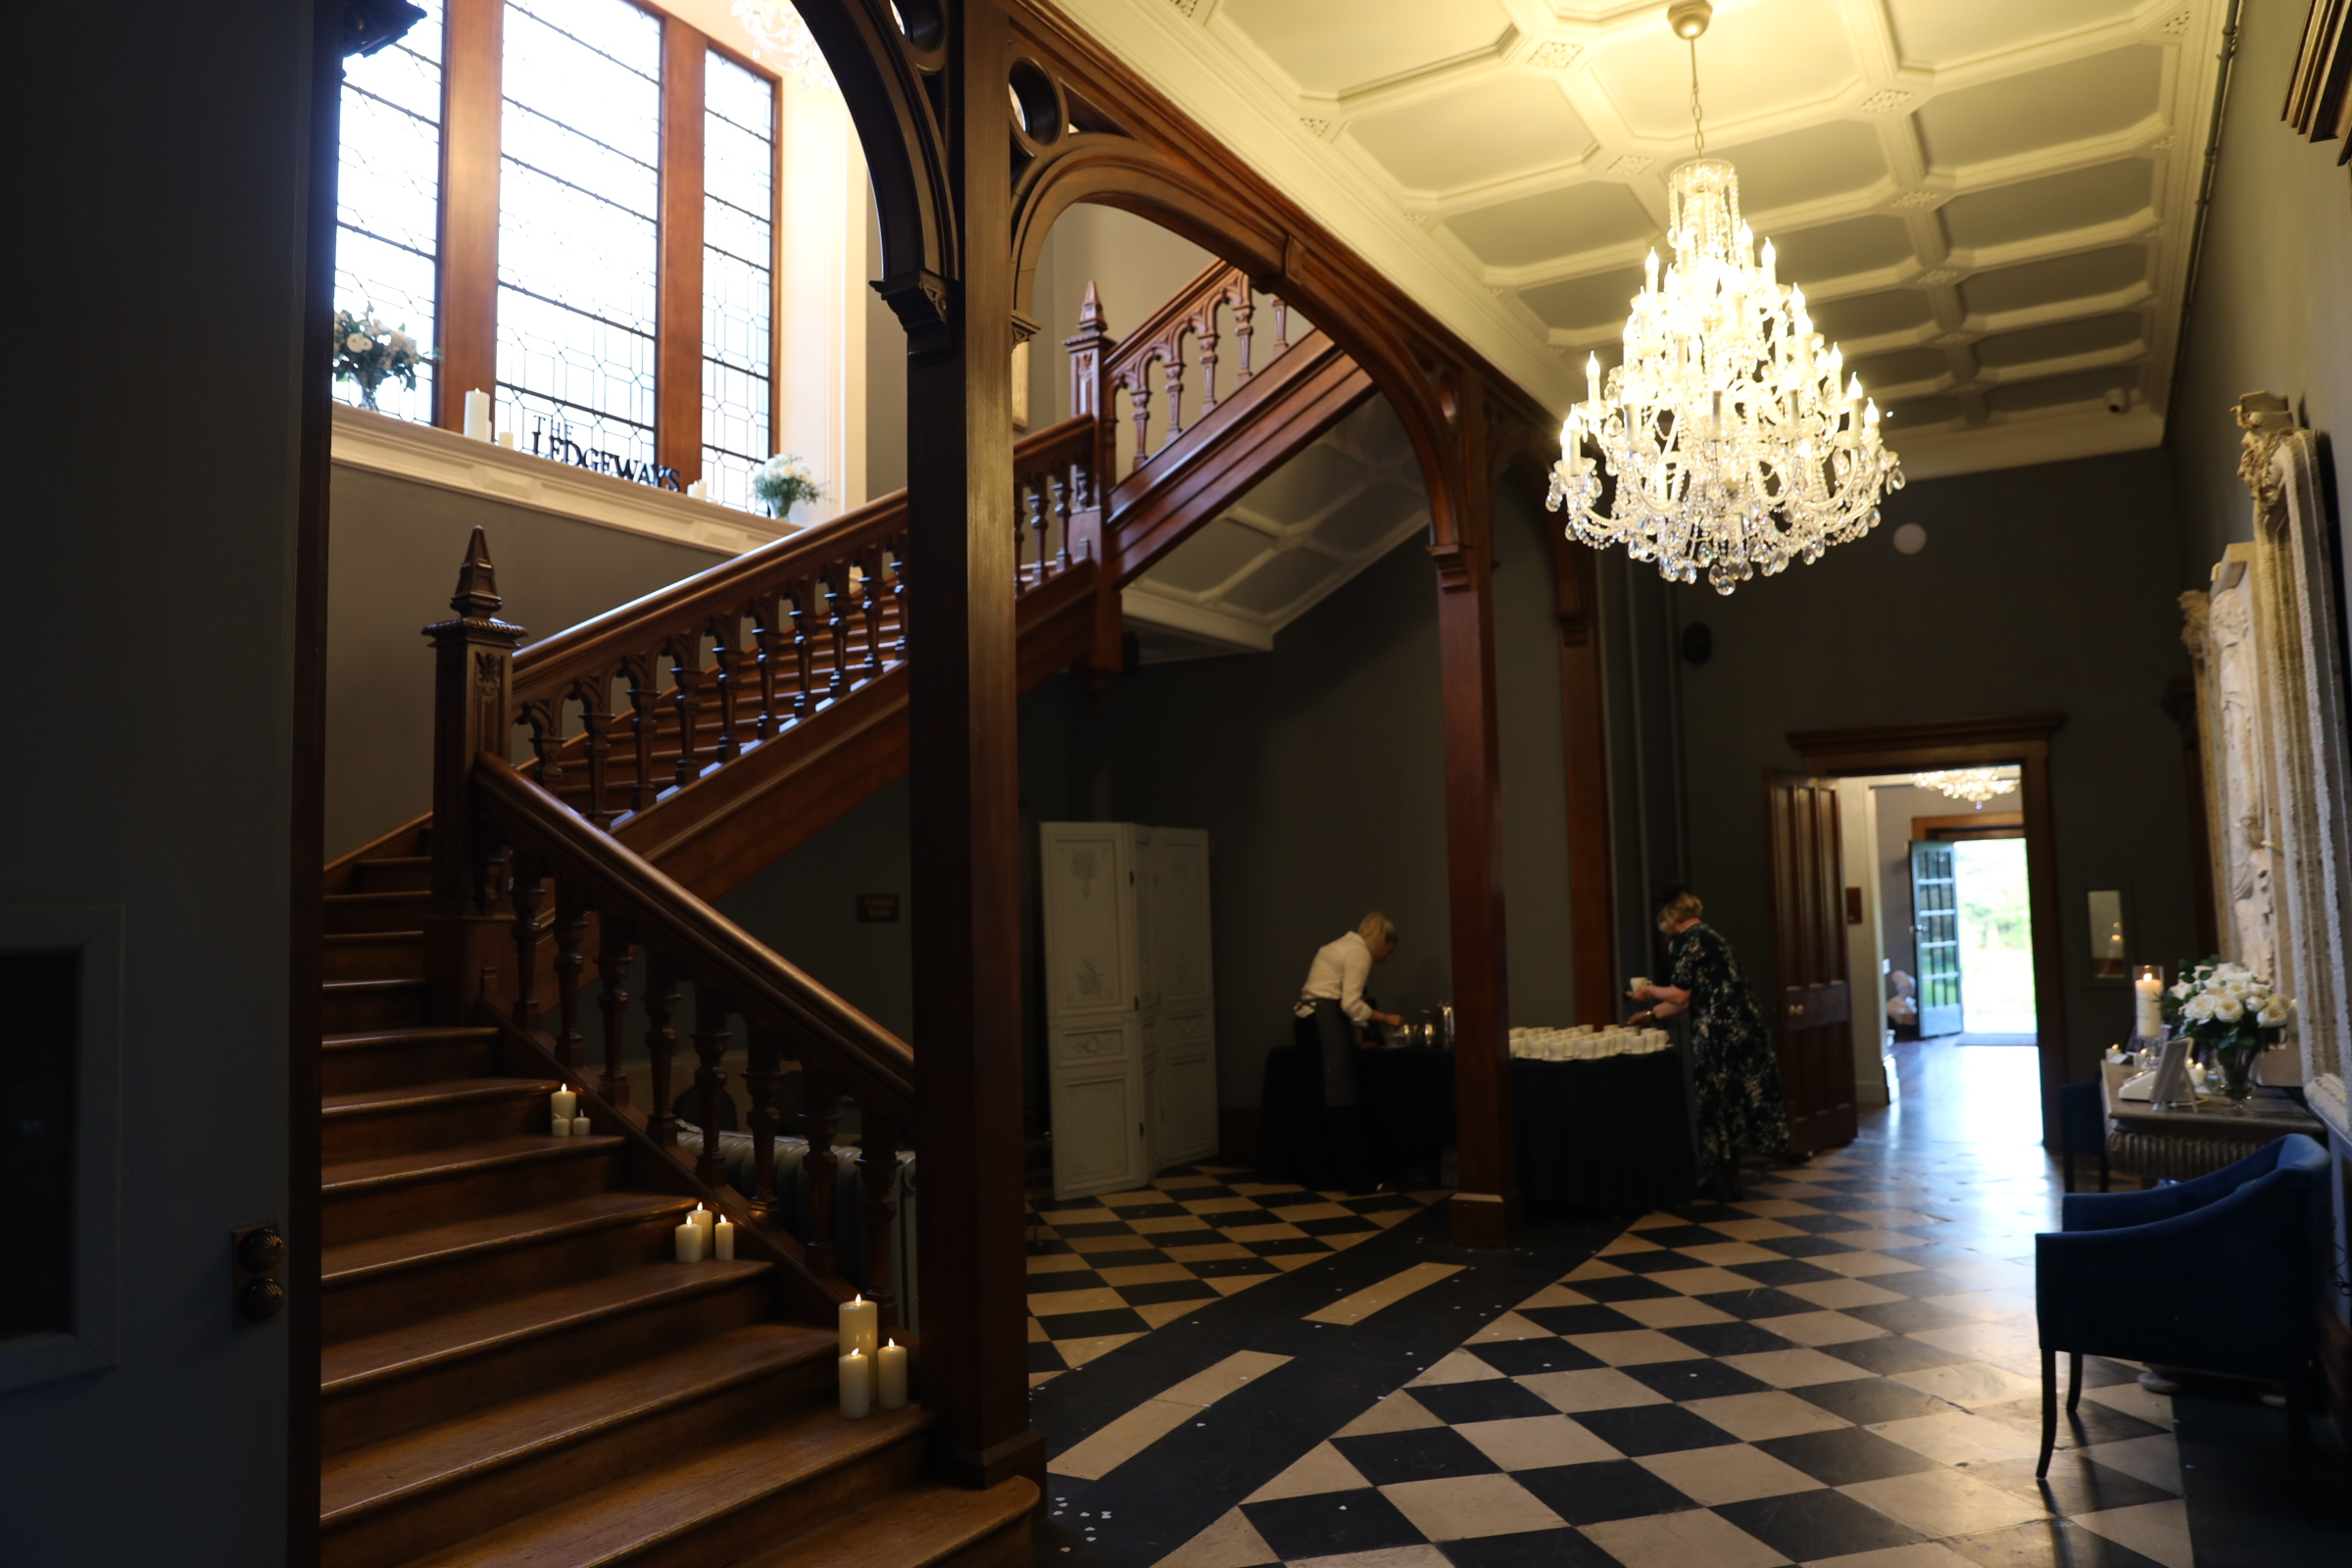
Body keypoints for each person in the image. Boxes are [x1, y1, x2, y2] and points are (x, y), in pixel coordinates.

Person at [1629, 892, 1792, 1200]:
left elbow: (1678, 995)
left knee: (1712, 1100)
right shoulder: (1713, 937)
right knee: (1732, 1100)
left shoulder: (1685, 940)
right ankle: (1729, 1178)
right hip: (1745, 1027)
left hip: (1718, 1031)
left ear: (1668, 918)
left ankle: (1722, 1180)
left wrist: (1648, 990)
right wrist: (1650, 1015)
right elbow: (1693, 996)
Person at [1293, 912, 1402, 1191]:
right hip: (1323, 1023)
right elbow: (1351, 1004)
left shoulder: (1340, 946)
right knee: (1339, 1098)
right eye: (1388, 951)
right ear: (1382, 940)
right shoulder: (1359, 953)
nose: (1385, 959)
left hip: (1309, 1023)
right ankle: (1356, 1179)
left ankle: (1321, 1175)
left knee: (1319, 1100)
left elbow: (1343, 1002)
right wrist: (1384, 1017)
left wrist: (1357, 1042)